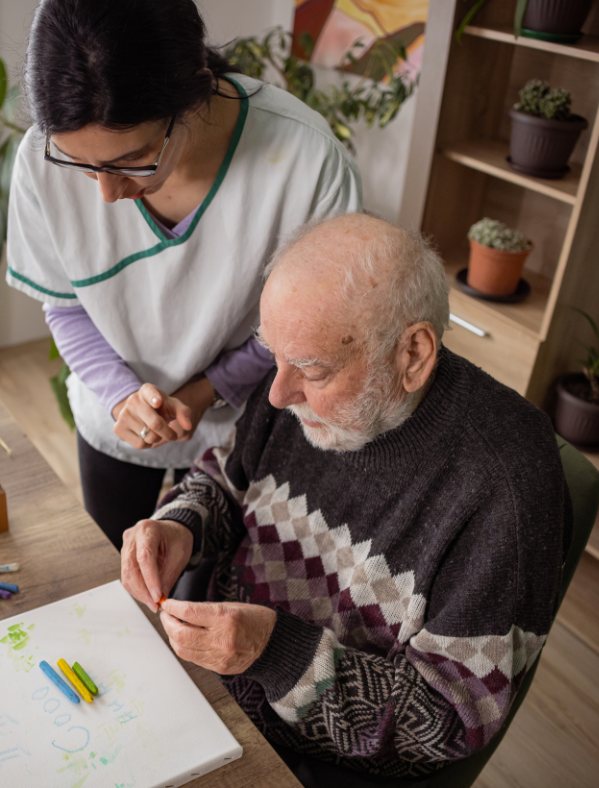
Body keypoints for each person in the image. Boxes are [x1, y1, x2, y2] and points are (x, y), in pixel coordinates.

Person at [120, 214, 571, 785]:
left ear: (413, 355)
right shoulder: (295, 379)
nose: (279, 394)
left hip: (315, 762)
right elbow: (225, 480)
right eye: (273, 357)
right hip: (206, 686)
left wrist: (272, 653)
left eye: (311, 370)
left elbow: (451, 721)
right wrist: (182, 525)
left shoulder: (507, 488)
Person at [6, 0, 362, 550]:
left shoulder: (304, 160)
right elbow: (66, 304)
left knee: (211, 590)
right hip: (115, 417)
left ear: (194, 92)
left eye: (135, 159)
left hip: (244, 428)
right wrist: (122, 396)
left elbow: (305, 325)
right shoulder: (40, 159)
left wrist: (208, 390)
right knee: (119, 576)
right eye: (83, 166)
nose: (107, 193)